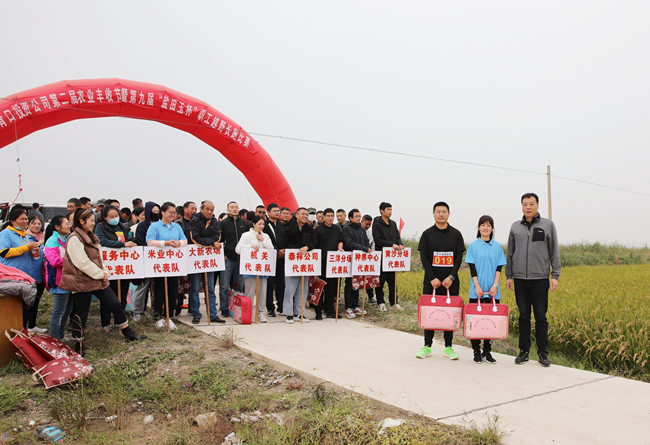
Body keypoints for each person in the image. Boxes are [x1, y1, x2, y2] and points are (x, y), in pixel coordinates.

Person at [60, 209, 146, 355]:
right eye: (91, 221)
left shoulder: (91, 236)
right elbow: (81, 262)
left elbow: (99, 258)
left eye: (94, 221)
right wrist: (100, 274)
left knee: (115, 303)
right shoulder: (74, 238)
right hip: (82, 281)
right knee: (81, 314)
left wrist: (104, 271)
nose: (93, 223)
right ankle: (78, 344)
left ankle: (127, 333)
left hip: (97, 278)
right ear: (82, 221)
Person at [506, 193, 561, 367]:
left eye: (531, 204)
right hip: (520, 278)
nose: (528, 207)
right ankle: (524, 351)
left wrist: (555, 275)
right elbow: (510, 253)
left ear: (537, 205)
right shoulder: (515, 227)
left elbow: (554, 251)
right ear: (521, 206)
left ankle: (543, 352)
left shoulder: (548, 225)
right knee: (523, 316)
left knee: (540, 316)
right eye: (525, 204)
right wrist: (509, 275)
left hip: (540, 278)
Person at [416, 202, 465, 360]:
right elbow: (424, 257)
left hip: (450, 282)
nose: (441, 214)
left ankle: (448, 347)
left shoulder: (456, 234)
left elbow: (459, 258)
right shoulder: (427, 234)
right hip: (431, 282)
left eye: (444, 211)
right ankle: (427, 346)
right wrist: (432, 278)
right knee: (430, 312)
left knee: (450, 313)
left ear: (449, 214)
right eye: (438, 211)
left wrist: (451, 277)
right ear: (434, 214)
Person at [465, 215, 507, 364]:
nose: (485, 228)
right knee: (475, 321)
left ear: (492, 228)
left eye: (488, 225)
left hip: (493, 291)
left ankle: (487, 352)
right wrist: (477, 286)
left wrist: (495, 286)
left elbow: (499, 268)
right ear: (479, 227)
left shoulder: (497, 247)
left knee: (491, 321)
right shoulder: (473, 246)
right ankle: (476, 351)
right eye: (483, 225)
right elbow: (472, 268)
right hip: (476, 291)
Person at [95, 205, 141, 332]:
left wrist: (133, 241)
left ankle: (119, 321)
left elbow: (128, 238)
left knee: (122, 294)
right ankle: (106, 323)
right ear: (105, 217)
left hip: (122, 267)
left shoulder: (123, 227)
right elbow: (102, 241)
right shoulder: (100, 227)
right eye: (111, 216)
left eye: (116, 215)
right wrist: (122, 244)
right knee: (108, 297)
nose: (115, 218)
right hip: (109, 268)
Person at [146, 202, 187, 322]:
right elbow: (149, 242)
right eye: (170, 212)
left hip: (173, 264)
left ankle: (169, 315)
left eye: (174, 212)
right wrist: (166, 243)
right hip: (159, 264)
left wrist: (179, 243)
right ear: (162, 212)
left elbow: (185, 240)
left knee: (172, 290)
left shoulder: (176, 227)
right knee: (159, 290)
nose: (172, 214)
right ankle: (157, 315)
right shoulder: (155, 226)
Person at [186, 200, 225, 324]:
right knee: (195, 288)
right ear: (201, 209)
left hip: (209, 260)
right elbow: (194, 238)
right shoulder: (194, 221)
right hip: (196, 259)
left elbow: (217, 236)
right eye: (207, 209)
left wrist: (211, 242)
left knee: (210, 288)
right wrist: (211, 243)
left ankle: (212, 314)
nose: (209, 211)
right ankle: (196, 314)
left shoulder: (214, 222)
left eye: (212, 209)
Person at [235, 215, 274, 323]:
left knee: (262, 292)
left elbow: (271, 249)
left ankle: (261, 312)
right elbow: (238, 249)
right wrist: (250, 246)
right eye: (259, 224)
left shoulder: (265, 236)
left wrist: (263, 240)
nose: (261, 226)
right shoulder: (246, 235)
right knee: (250, 291)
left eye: (263, 224)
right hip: (250, 268)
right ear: (254, 224)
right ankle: (248, 312)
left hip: (262, 268)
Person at [309, 208, 344, 319]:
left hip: (332, 264)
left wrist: (340, 248)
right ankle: (318, 312)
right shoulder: (318, 230)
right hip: (321, 263)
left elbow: (340, 240)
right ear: (323, 217)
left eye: (332, 216)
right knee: (319, 288)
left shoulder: (337, 229)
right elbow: (314, 244)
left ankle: (330, 311)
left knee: (331, 289)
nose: (330, 218)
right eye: (328, 216)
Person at [282, 207, 314, 323]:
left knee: (303, 289)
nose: (305, 216)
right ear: (296, 215)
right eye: (302, 214)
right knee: (290, 289)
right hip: (292, 261)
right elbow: (290, 234)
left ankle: (300, 313)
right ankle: (289, 314)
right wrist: (294, 223)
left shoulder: (309, 228)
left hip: (304, 262)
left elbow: (314, 242)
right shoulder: (288, 225)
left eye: (306, 214)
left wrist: (307, 247)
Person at [218, 201, 251, 317]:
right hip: (229, 258)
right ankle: (224, 308)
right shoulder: (223, 223)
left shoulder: (245, 223)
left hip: (241, 259)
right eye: (232, 207)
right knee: (224, 285)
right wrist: (223, 254)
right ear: (228, 210)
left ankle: (237, 307)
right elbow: (220, 240)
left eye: (236, 207)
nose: (235, 209)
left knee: (239, 285)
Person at [44, 215, 74, 340]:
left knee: (67, 310)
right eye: (66, 223)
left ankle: (60, 335)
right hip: (58, 281)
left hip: (69, 280)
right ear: (57, 227)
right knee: (58, 312)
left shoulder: (67, 239)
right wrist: (72, 260)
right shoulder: (51, 241)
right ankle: (55, 338)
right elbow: (55, 261)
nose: (69, 226)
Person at [372, 202, 405, 311]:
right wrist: (391, 244)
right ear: (381, 211)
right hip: (382, 257)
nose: (390, 211)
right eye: (388, 209)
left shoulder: (393, 223)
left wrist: (400, 244)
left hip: (392, 257)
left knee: (393, 281)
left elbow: (397, 237)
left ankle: (394, 302)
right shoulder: (376, 224)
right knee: (380, 281)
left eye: (391, 209)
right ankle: (381, 302)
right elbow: (378, 240)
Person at [131, 201, 160, 322]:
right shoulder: (142, 226)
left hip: (159, 261)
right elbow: (140, 241)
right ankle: (137, 311)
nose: (156, 213)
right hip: (146, 260)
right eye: (154, 211)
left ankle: (154, 311)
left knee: (156, 288)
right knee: (143, 286)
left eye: (158, 211)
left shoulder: (161, 224)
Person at [341, 209, 371, 318]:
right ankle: (348, 307)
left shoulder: (362, 230)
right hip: (350, 259)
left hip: (360, 260)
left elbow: (366, 242)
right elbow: (349, 243)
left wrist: (368, 248)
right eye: (356, 216)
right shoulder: (346, 229)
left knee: (357, 283)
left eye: (359, 216)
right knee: (349, 283)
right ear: (350, 218)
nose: (358, 218)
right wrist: (364, 248)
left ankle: (356, 305)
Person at [25, 215, 47, 333]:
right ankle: (25, 326)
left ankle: (32, 325)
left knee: (36, 301)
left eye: (39, 223)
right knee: (29, 302)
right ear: (28, 224)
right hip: (31, 275)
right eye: (34, 223)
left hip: (41, 274)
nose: (37, 226)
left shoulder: (41, 238)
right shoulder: (26, 238)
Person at [263, 203, 286, 317]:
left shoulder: (282, 225)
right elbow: (266, 242)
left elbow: (285, 239)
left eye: (278, 211)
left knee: (281, 283)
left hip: (282, 257)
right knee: (269, 284)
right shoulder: (265, 225)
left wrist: (283, 251)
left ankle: (281, 306)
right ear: (268, 212)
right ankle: (270, 307)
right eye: (274, 211)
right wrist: (277, 251)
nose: (277, 213)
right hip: (270, 257)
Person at [361, 214, 376, 304]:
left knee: (369, 277)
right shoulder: (358, 231)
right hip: (359, 258)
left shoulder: (370, 233)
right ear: (362, 222)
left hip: (368, 257)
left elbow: (372, 244)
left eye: (369, 224)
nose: (368, 226)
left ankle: (371, 296)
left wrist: (372, 253)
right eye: (366, 224)